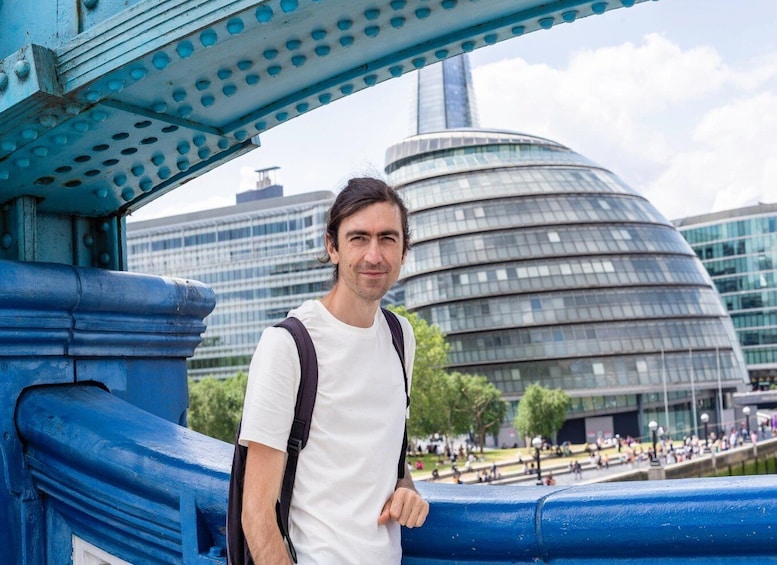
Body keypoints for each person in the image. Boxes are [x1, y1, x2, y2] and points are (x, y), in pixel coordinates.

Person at [239, 178, 429, 564]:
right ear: (332, 246)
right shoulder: (289, 345)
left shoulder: (400, 336)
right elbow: (256, 514)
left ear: (404, 249)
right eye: (359, 238)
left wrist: (408, 491)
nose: (374, 255)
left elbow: (384, 461)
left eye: (388, 239)